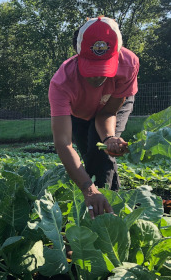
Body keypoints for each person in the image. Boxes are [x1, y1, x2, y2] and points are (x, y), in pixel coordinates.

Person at [48, 16, 139, 218]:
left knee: (101, 150)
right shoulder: (62, 83)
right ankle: (99, 199)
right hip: (79, 112)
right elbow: (63, 143)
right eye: (91, 69)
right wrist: (88, 189)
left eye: (104, 69)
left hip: (111, 105)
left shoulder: (129, 64)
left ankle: (107, 216)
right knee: (89, 156)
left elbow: (108, 112)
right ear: (78, 54)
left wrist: (109, 138)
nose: (97, 77)